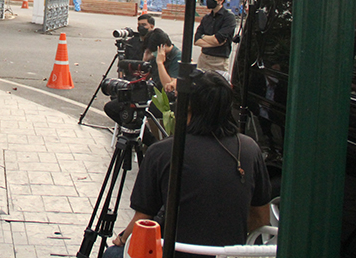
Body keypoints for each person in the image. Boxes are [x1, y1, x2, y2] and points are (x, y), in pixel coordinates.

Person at [103, 70, 271, 258]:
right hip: (229, 253)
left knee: (112, 253)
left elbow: (143, 221)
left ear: (187, 106)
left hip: (172, 252)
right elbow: (261, 218)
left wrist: (122, 239)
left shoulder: (163, 152)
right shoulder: (249, 149)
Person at [194, 0, 237, 72]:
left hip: (219, 61)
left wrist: (205, 37)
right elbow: (196, 40)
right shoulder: (206, 18)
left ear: (221, 0)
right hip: (203, 58)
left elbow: (218, 39)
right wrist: (211, 40)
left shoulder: (228, 18)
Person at [144, 28, 181, 94]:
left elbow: (169, 87)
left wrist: (160, 63)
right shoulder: (155, 56)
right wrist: (145, 60)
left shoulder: (177, 58)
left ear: (164, 45)